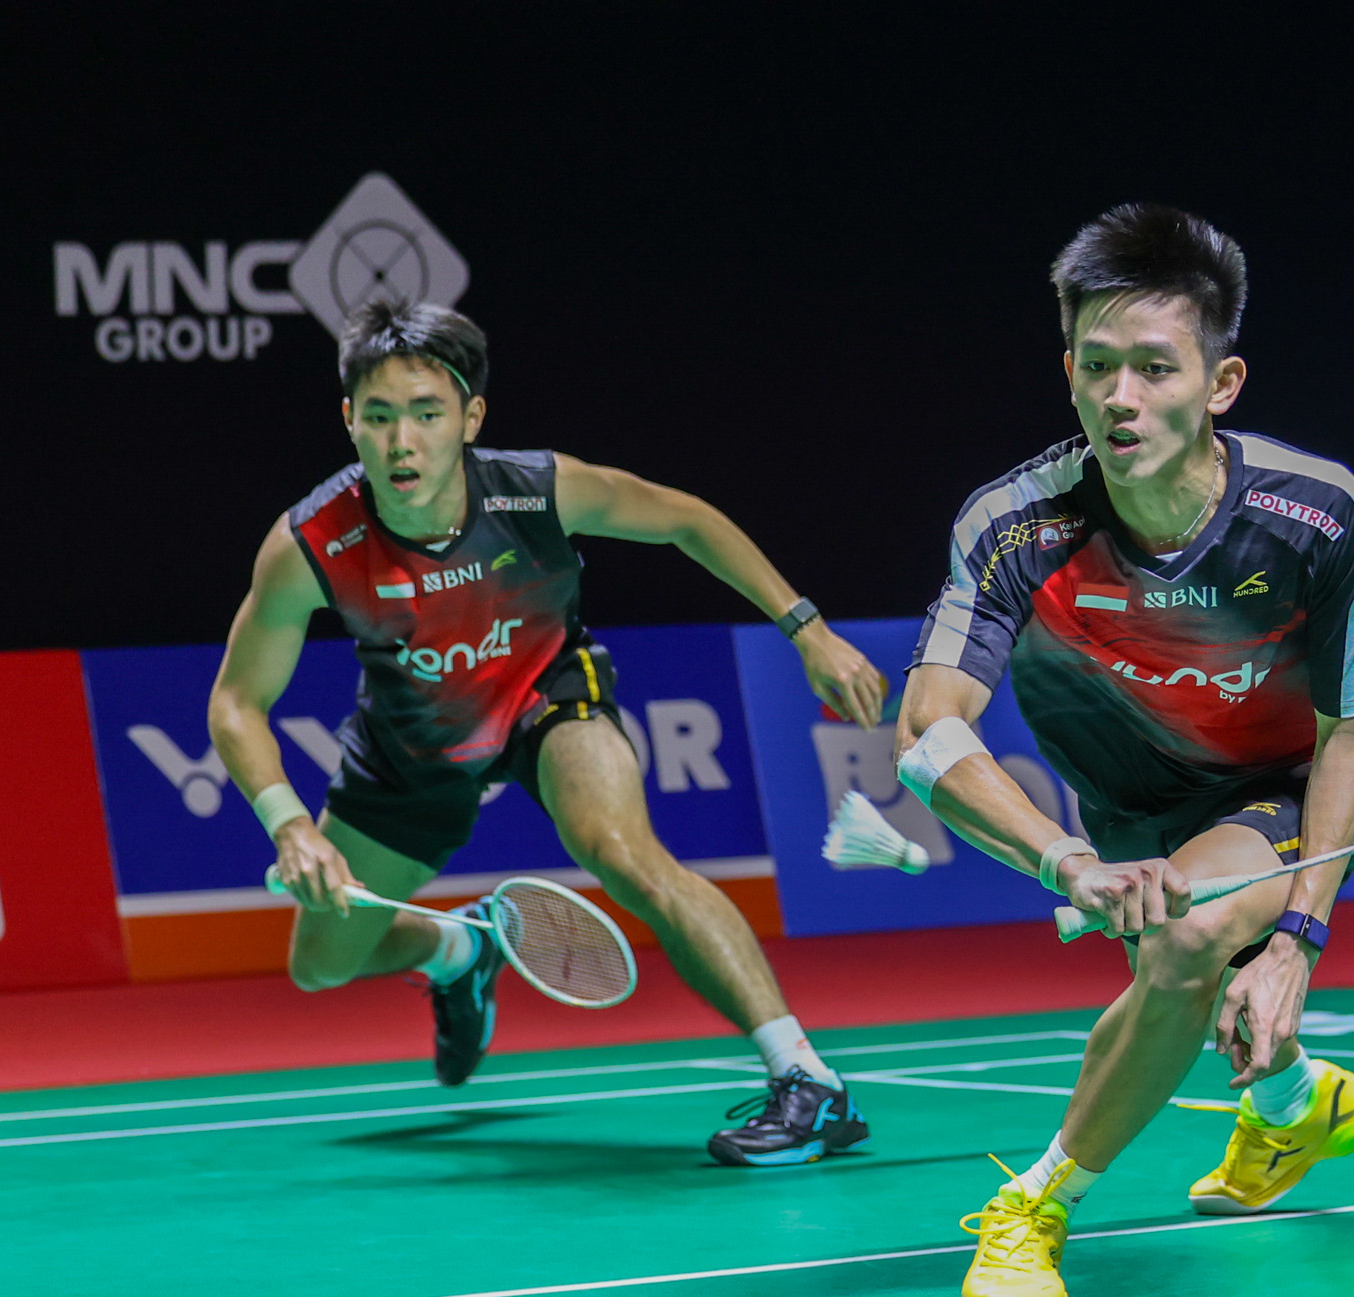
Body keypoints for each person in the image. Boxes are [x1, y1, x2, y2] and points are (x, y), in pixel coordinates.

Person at [207, 299, 880, 1166]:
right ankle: (461, 947)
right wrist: (290, 826)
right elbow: (237, 701)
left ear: (470, 418)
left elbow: (686, 518)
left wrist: (807, 629)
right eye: (378, 417)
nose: (401, 442)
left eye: (426, 413)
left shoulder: (532, 490)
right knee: (321, 962)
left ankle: (805, 1078)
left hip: (544, 693)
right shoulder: (312, 544)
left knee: (623, 852)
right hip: (414, 740)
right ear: (349, 420)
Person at [898, 204, 1354, 1297]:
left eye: (1154, 367)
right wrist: (1064, 862)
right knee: (1182, 986)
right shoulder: (1015, 526)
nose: (1119, 397)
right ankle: (1295, 1107)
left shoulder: (1314, 514)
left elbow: (1350, 728)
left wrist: (1298, 939)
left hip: (1278, 786)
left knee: (1187, 938)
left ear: (1221, 383)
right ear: (1067, 373)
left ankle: (1035, 1206)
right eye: (1096, 366)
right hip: (1125, 808)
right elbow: (928, 733)